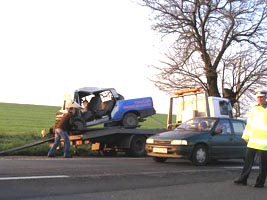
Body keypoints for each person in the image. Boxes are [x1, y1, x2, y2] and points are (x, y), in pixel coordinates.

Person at [234, 88, 267, 188]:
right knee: (247, 162)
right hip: (253, 141)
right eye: (258, 97)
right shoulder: (254, 109)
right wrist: (245, 135)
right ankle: (243, 179)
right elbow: (250, 124)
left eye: (262, 97)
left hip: (264, 143)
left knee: (263, 165)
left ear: (266, 98)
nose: (260, 99)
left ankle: (260, 182)